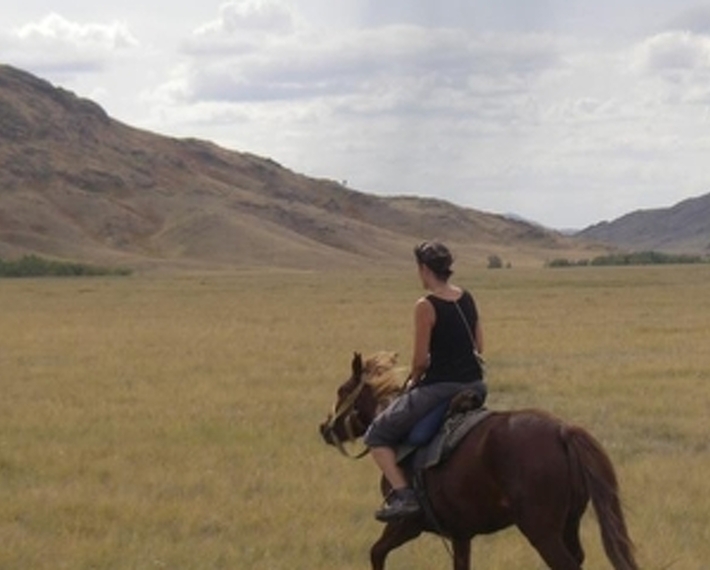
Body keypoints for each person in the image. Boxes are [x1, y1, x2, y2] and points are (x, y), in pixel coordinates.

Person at [363, 241, 487, 522]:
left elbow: (419, 361)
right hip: (476, 385)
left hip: (441, 387)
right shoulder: (467, 297)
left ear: (424, 269)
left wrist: (413, 382)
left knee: (376, 434)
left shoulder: (426, 306)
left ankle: (404, 496)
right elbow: (479, 346)